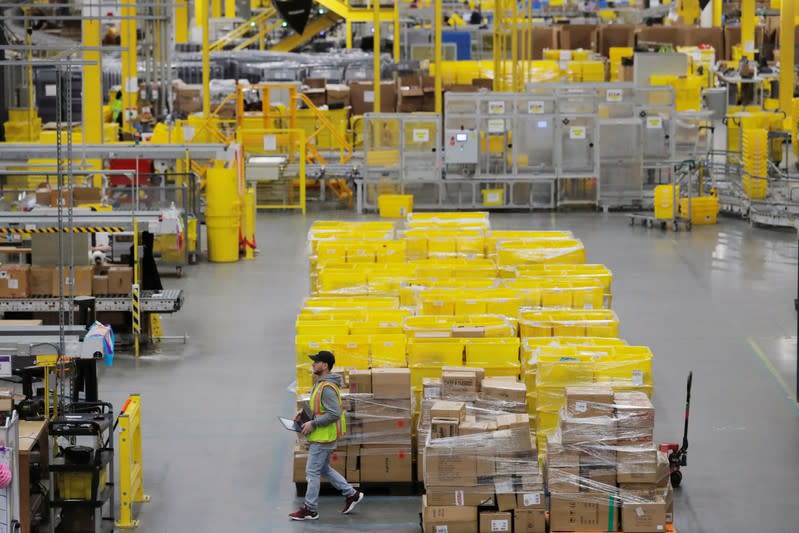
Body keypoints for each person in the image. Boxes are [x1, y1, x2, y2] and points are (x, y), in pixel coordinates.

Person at [289, 351, 364, 521]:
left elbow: (334, 413)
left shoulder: (327, 387)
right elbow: (317, 407)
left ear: (324, 365)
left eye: (316, 362)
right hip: (322, 436)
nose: (313, 365)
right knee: (323, 469)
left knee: (312, 472)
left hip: (324, 437)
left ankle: (310, 509)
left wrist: (313, 423)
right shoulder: (320, 384)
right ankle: (352, 494)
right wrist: (303, 413)